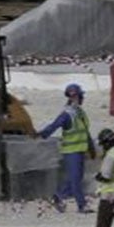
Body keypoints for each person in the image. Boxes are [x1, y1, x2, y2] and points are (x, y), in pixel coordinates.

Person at [36, 82, 93, 212]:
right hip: (71, 151)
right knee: (75, 180)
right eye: (81, 96)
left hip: (79, 150)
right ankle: (82, 205)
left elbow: (84, 131)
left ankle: (58, 196)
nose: (83, 98)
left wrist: (90, 148)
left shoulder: (80, 112)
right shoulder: (67, 114)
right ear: (75, 96)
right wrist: (42, 134)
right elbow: (54, 125)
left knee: (75, 178)